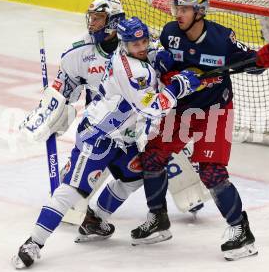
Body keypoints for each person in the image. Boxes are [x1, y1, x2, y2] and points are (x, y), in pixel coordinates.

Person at [12, 16, 200, 268]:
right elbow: (153, 108)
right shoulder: (132, 70)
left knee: (134, 177)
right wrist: (179, 86)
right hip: (98, 137)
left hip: (122, 139)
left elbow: (153, 53)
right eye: (136, 44)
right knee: (72, 191)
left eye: (144, 40)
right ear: (123, 45)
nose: (142, 46)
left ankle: (94, 220)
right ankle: (33, 243)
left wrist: (164, 59)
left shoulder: (133, 54)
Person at [131, 0, 269, 260]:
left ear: (200, 12)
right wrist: (172, 73)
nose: (179, 13)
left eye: (185, 9)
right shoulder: (170, 33)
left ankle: (241, 231)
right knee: (152, 157)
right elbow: (167, 63)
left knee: (211, 172)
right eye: (178, 8)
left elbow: (251, 63)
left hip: (215, 110)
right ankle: (158, 220)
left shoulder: (221, 39)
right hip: (183, 111)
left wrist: (263, 60)